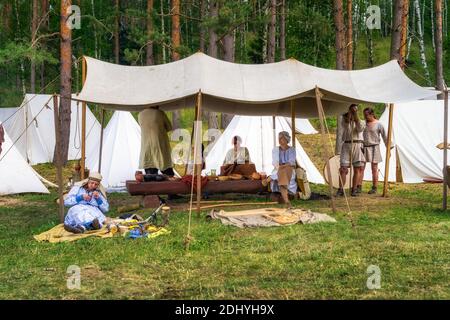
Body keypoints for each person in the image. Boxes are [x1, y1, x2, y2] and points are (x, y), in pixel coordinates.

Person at [335, 104, 366, 197]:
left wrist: (355, 115)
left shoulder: (362, 122)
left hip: (357, 144)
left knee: (357, 168)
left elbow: (360, 128)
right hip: (346, 145)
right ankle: (340, 189)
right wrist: (349, 114)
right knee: (343, 169)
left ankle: (354, 189)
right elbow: (343, 126)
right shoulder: (343, 121)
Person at [138, 106, 175, 177]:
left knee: (151, 178)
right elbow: (169, 127)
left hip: (146, 148)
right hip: (160, 146)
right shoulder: (160, 113)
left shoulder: (140, 114)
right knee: (169, 175)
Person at [263, 131, 297, 208]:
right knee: (281, 174)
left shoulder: (292, 149)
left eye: (282, 138)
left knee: (282, 173)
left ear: (286, 139)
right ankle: (287, 202)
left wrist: (283, 166)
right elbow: (275, 162)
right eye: (279, 138)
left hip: (289, 169)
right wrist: (280, 167)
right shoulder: (275, 149)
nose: (280, 140)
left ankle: (270, 178)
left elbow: (291, 162)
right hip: (278, 169)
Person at [362, 107, 391, 194]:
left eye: (367, 115)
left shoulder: (379, 124)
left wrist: (389, 149)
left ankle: (374, 187)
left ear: (372, 114)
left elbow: (386, 137)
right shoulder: (364, 124)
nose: (365, 117)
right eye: (364, 115)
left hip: (375, 147)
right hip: (364, 147)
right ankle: (358, 187)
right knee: (361, 167)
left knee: (374, 168)